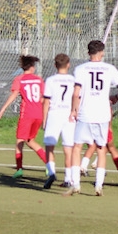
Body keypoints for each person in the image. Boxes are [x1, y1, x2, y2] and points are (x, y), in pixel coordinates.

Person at [67, 40, 118, 196]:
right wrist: (115, 97)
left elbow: (76, 93)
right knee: (101, 149)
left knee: (77, 148)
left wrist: (74, 110)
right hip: (102, 114)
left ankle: (76, 184)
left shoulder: (80, 69)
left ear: (88, 53)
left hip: (85, 113)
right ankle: (98, 185)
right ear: (102, 53)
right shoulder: (110, 68)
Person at [0, 55, 48, 180]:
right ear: (32, 67)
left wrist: (3, 109)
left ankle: (19, 169)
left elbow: (14, 94)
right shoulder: (39, 80)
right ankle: (48, 164)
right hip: (39, 114)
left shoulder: (19, 79)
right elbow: (44, 97)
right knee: (30, 140)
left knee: (20, 140)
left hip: (27, 114)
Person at [41, 53, 75, 189]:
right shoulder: (73, 80)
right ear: (68, 65)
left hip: (54, 114)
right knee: (68, 148)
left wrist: (44, 120)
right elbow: (76, 97)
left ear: (55, 65)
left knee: (49, 146)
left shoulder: (50, 80)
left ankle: (51, 173)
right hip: (68, 115)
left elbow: (46, 101)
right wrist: (74, 112)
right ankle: (68, 178)